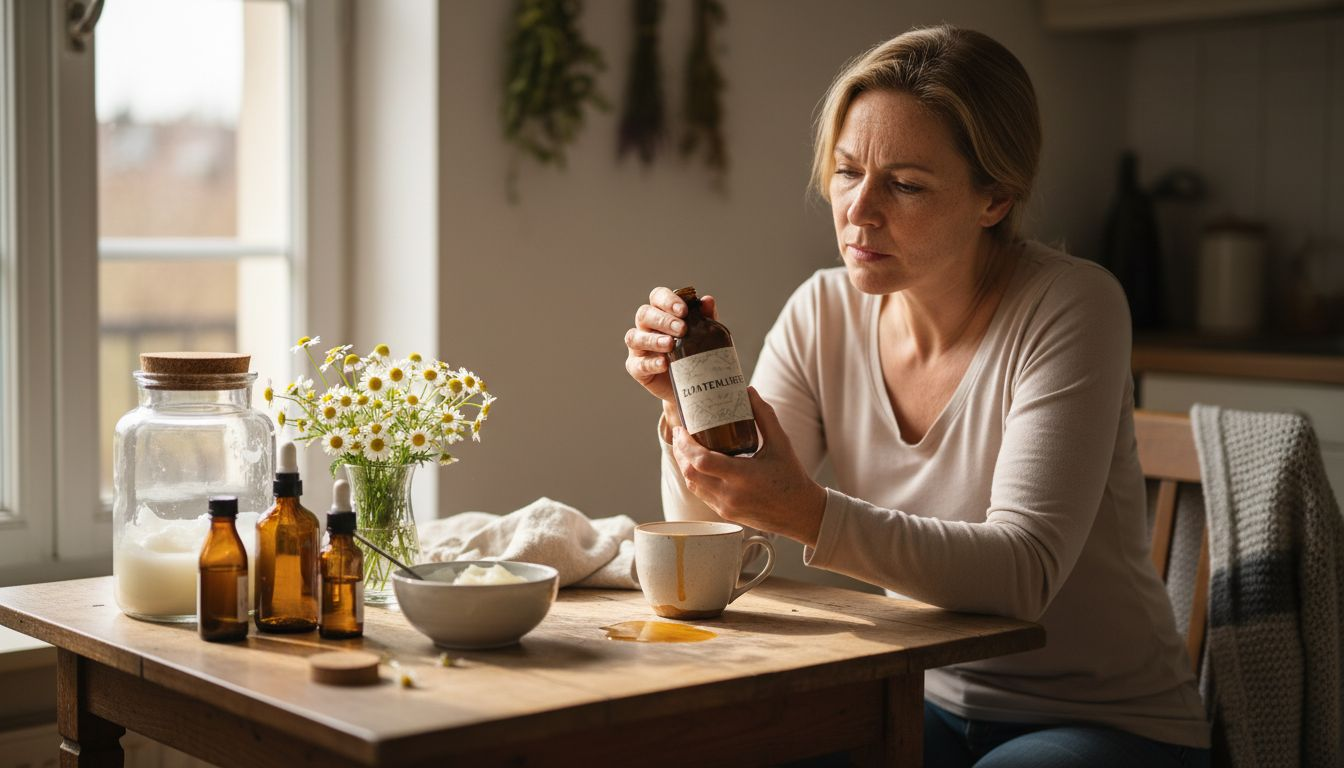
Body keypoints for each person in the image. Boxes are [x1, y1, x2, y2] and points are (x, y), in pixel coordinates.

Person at [622, 24, 1211, 768]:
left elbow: (1023, 574)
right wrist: (687, 411)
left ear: (995, 197)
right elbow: (727, 551)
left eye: (905, 184)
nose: (858, 211)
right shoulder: (823, 311)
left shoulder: (1074, 306)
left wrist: (806, 511)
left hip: (1104, 721)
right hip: (912, 693)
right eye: (845, 172)